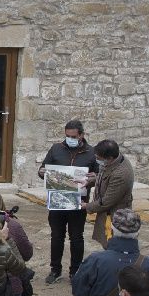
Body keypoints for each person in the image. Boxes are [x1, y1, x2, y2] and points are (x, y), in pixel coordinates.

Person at [38, 120, 98, 283]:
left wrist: (93, 179)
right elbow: (43, 169)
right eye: (67, 136)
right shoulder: (56, 148)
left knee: (76, 237)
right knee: (56, 236)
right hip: (57, 201)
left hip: (79, 203)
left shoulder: (91, 153)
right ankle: (55, 270)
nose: (69, 139)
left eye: (73, 136)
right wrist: (42, 172)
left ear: (81, 135)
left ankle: (75, 271)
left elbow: (99, 177)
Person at [84, 140, 134, 245]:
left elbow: (107, 201)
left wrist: (87, 206)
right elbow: (106, 175)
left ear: (109, 158)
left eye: (98, 158)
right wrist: (95, 179)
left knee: (113, 244)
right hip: (107, 212)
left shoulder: (121, 173)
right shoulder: (115, 160)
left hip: (114, 216)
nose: (96, 160)